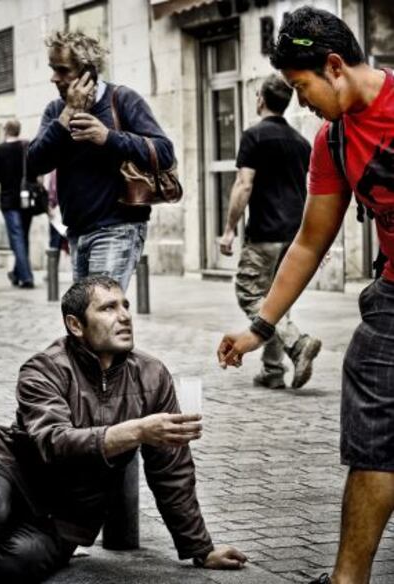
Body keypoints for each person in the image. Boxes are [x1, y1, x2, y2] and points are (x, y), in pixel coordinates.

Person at [217, 6, 394, 584]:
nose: (300, 102)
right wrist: (260, 328)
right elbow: (308, 243)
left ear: (335, 66)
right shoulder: (333, 141)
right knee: (372, 434)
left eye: (302, 86)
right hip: (392, 299)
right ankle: (348, 581)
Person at [0, 275, 246, 583]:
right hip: (12, 472)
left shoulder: (152, 375)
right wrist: (135, 431)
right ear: (76, 325)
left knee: (13, 565)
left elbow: (171, 472)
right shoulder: (44, 369)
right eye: (108, 308)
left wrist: (200, 548)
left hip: (63, 516)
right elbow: (53, 442)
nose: (124, 316)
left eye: (126, 305)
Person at [27, 31, 175, 291]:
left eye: (62, 70)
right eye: (53, 69)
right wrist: (67, 115)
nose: (54, 78)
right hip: (76, 230)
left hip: (118, 227)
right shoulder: (55, 110)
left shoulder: (122, 100)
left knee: (100, 311)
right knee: (89, 319)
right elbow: (34, 163)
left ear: (87, 72)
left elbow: (164, 152)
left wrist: (108, 138)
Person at [219, 74, 320, 390]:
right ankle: (272, 370)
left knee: (249, 291)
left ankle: (297, 342)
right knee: (277, 298)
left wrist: (229, 229)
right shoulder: (301, 142)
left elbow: (244, 184)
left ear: (260, 99)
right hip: (294, 235)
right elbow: (309, 192)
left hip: (264, 231)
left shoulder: (254, 136)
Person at [0, 119, 35, 288]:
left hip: (9, 201)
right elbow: (38, 171)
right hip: (27, 200)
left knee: (17, 238)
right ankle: (16, 273)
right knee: (22, 237)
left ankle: (26, 277)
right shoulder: (27, 146)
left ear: (5, 130)